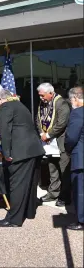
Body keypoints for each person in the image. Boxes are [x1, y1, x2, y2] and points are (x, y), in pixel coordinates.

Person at [0, 88, 44, 227]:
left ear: (0, 99)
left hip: (21, 151)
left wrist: (6, 153)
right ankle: (29, 212)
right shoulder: (20, 105)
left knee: (17, 185)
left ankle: (14, 219)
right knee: (30, 183)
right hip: (34, 149)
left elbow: (5, 131)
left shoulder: (6, 107)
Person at [36, 82, 71, 207]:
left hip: (60, 142)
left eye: (43, 95)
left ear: (51, 93)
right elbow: (38, 118)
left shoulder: (61, 103)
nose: (41, 98)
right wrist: (41, 134)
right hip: (48, 143)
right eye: (40, 95)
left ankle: (66, 196)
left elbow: (62, 122)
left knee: (64, 170)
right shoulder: (43, 102)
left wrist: (48, 135)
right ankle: (53, 192)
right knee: (52, 168)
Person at [64, 86, 84, 231]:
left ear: (76, 98)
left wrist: (68, 150)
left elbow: (71, 137)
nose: (71, 102)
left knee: (80, 191)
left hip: (80, 159)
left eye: (71, 100)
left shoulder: (77, 113)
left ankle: (81, 221)